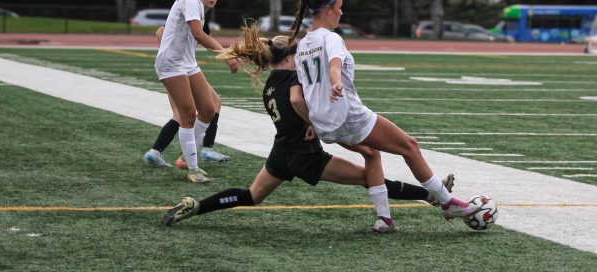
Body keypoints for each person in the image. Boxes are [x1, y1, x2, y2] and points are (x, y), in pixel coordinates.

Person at [162, 26, 455, 233]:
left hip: (281, 152)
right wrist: (315, 121)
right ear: (290, 58)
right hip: (305, 155)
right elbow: (296, 100)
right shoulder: (294, 81)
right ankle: (432, 196)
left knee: (251, 195)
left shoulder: (269, 85)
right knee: (370, 176)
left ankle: (198, 206)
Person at [289, 0, 477, 220]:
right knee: (410, 146)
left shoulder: (303, 45)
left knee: (371, 154)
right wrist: (337, 83)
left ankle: (384, 219)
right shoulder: (331, 38)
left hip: (324, 125)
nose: (341, 13)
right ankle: (447, 203)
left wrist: (313, 122)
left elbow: (303, 93)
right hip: (348, 117)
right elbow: (334, 65)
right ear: (327, 9)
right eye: (339, 8)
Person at [153, 0, 237, 184]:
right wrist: (227, 55)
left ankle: (185, 157)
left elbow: (198, 37)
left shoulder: (198, 3)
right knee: (188, 114)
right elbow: (199, 35)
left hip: (187, 63)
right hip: (171, 64)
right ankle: (192, 168)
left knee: (209, 110)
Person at [144, 0, 230, 168]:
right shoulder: (190, 6)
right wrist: (171, 52)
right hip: (176, 69)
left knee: (209, 105)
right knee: (189, 112)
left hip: (186, 68)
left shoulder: (200, 14)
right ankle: (198, 154)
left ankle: (159, 151)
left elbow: (202, 40)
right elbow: (161, 31)